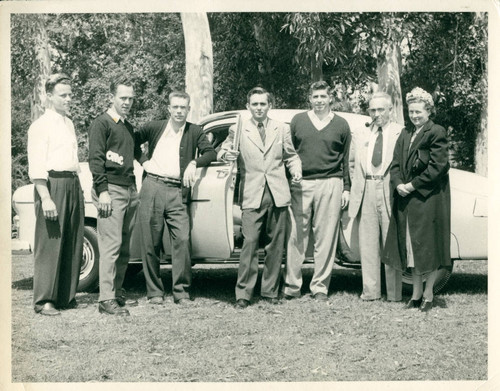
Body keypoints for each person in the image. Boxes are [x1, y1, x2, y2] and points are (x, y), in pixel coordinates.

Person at [218, 87, 302, 308]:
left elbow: (291, 156)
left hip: (277, 193)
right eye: (254, 104)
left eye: (262, 104)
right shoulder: (238, 129)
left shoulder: (281, 128)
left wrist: (296, 170)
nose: (258, 108)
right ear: (248, 107)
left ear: (269, 106)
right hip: (251, 193)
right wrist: (227, 154)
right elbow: (222, 150)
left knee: (276, 246)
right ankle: (243, 294)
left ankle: (270, 291)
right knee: (250, 243)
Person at [135, 91, 216, 305]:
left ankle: (181, 292)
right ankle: (154, 292)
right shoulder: (154, 127)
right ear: (169, 108)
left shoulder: (195, 131)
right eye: (176, 107)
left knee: (182, 240)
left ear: (189, 109)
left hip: (178, 190)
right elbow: (131, 140)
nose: (179, 111)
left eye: (183, 107)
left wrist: (193, 163)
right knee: (150, 242)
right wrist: (144, 162)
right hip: (152, 185)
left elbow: (210, 153)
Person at [382, 87, 451, 312]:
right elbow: (394, 164)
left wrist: (412, 185)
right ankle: (415, 293)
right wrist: (398, 183)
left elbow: (438, 167)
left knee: (427, 247)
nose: (415, 116)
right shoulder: (405, 133)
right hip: (407, 199)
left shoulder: (436, 131)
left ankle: (429, 294)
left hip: (427, 199)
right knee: (411, 247)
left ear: (428, 111)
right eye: (411, 112)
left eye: (419, 112)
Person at [283, 81, 351, 301]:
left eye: (323, 96)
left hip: (331, 183)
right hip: (301, 185)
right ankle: (292, 286)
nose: (319, 100)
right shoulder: (298, 121)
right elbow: (288, 154)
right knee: (296, 237)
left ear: (330, 98)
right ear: (309, 99)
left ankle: (320, 287)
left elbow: (346, 160)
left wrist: (346, 188)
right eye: (315, 97)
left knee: (325, 238)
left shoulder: (341, 124)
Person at [27, 73, 84, 316]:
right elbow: (37, 164)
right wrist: (46, 196)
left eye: (70, 94)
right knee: (50, 242)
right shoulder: (40, 126)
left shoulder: (68, 123)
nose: (69, 99)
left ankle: (65, 296)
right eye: (63, 95)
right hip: (52, 184)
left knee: (72, 238)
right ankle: (44, 300)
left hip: (72, 182)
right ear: (49, 96)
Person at [88, 76, 142, 316]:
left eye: (131, 98)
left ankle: (117, 292)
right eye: (123, 98)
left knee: (124, 248)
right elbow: (96, 160)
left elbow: (138, 157)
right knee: (110, 246)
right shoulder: (102, 124)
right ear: (112, 97)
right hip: (111, 190)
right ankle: (105, 298)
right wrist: (103, 192)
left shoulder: (128, 126)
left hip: (130, 190)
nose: (128, 102)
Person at [348, 92, 403, 302]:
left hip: (389, 189)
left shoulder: (400, 133)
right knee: (368, 244)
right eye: (373, 110)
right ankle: (370, 292)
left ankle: (394, 294)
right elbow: (351, 164)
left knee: (391, 242)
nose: (377, 114)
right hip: (366, 188)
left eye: (381, 109)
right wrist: (357, 187)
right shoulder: (360, 134)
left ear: (390, 110)